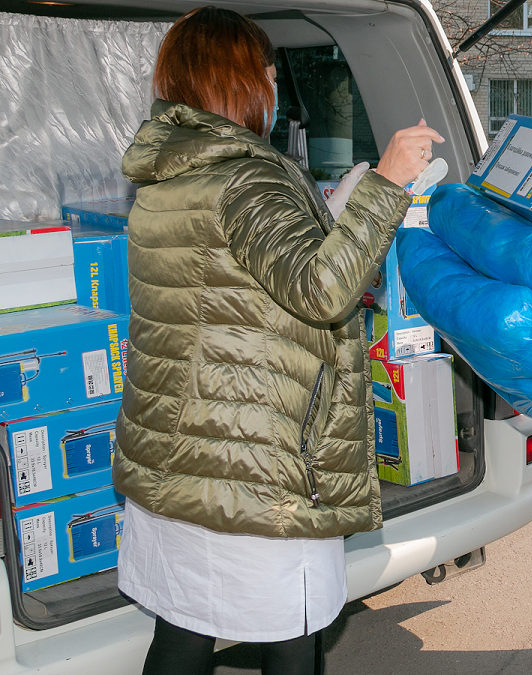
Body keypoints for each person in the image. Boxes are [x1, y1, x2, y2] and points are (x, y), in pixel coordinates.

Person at [112, 7, 442, 675]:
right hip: (258, 466)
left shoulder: (165, 179)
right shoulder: (247, 176)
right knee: (291, 640)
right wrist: (386, 184)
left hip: (180, 456)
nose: (272, 83)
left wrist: (335, 214)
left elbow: (237, 294)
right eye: (265, 70)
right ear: (237, 79)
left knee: (182, 633)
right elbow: (321, 291)